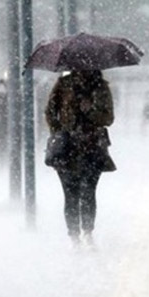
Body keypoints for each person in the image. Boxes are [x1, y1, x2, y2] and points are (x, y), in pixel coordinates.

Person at [44, 70, 116, 247]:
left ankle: (88, 231)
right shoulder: (63, 85)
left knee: (89, 192)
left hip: (92, 147)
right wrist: (59, 131)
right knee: (70, 193)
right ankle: (74, 236)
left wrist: (90, 111)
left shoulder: (101, 87)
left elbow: (108, 118)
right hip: (67, 148)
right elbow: (50, 111)